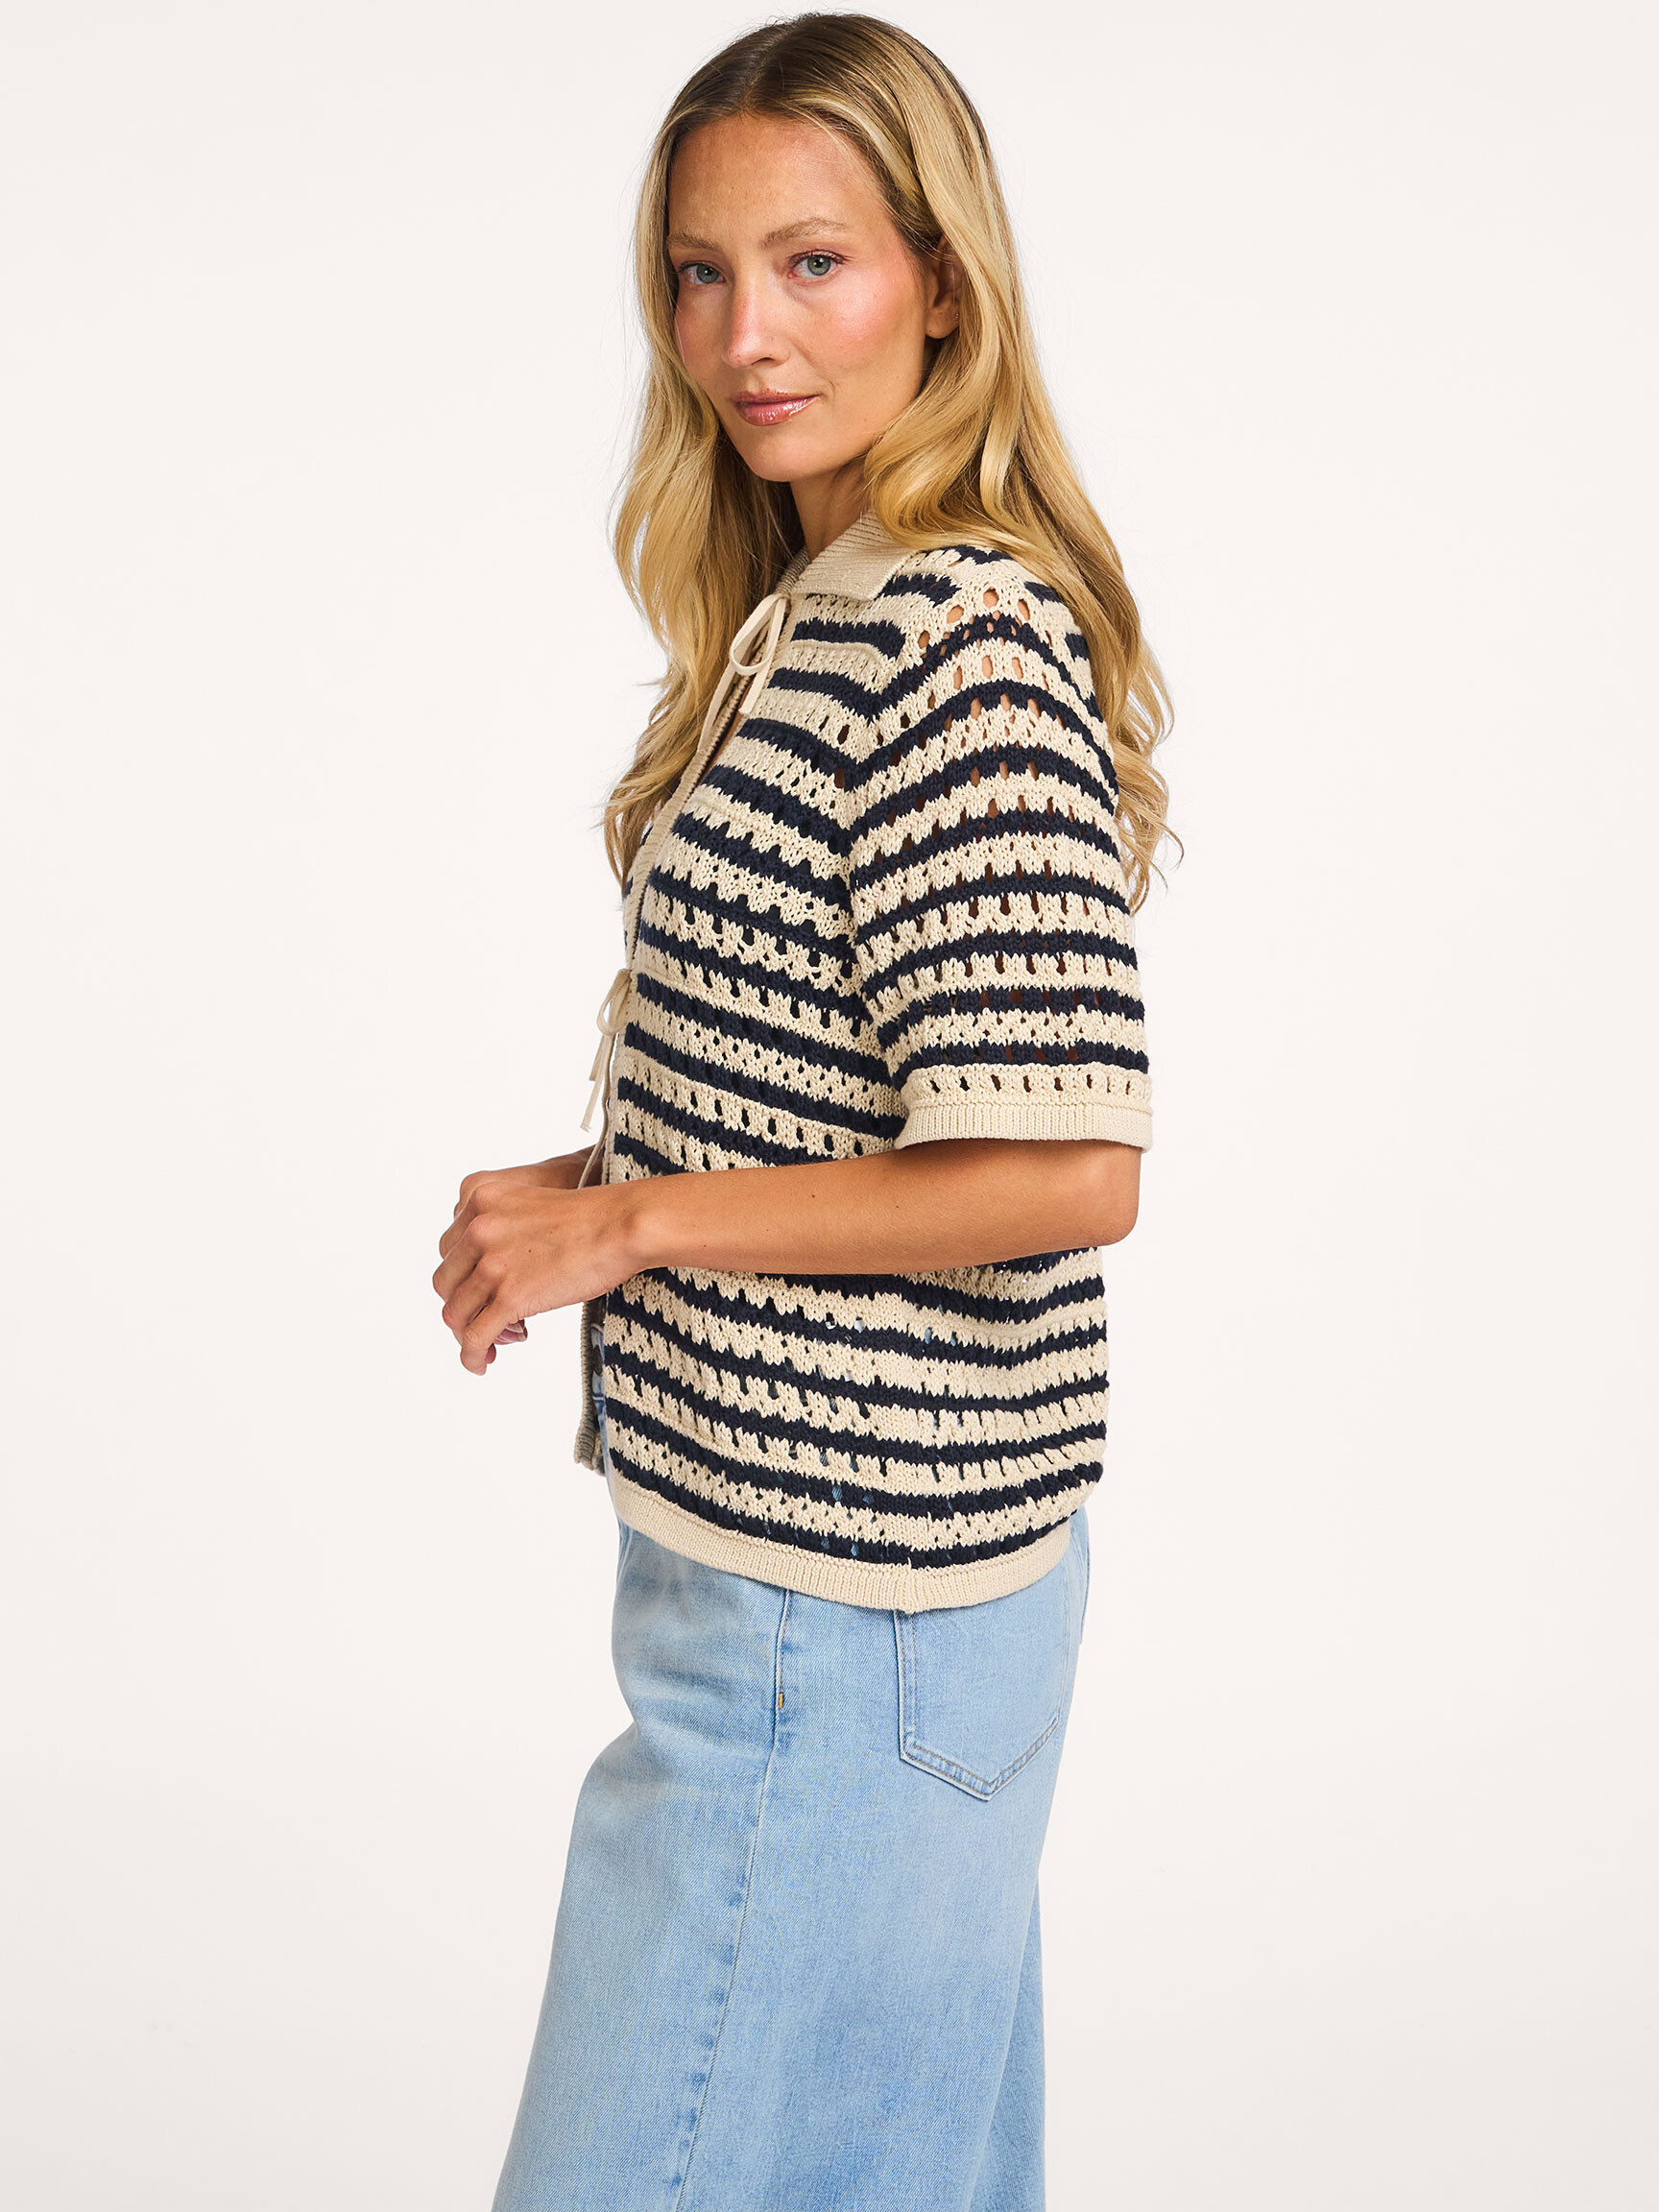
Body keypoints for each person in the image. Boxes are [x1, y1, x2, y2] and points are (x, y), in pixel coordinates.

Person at [431, 13, 1175, 2208]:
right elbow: (873, 1082)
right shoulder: (815, 612)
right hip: (829, 1598)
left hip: (840, 1625)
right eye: (700, 272)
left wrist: (636, 1230)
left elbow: (1068, 1168)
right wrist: (600, 1178)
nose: (744, 335)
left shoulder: (955, 638)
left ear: (943, 279)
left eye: (813, 262)